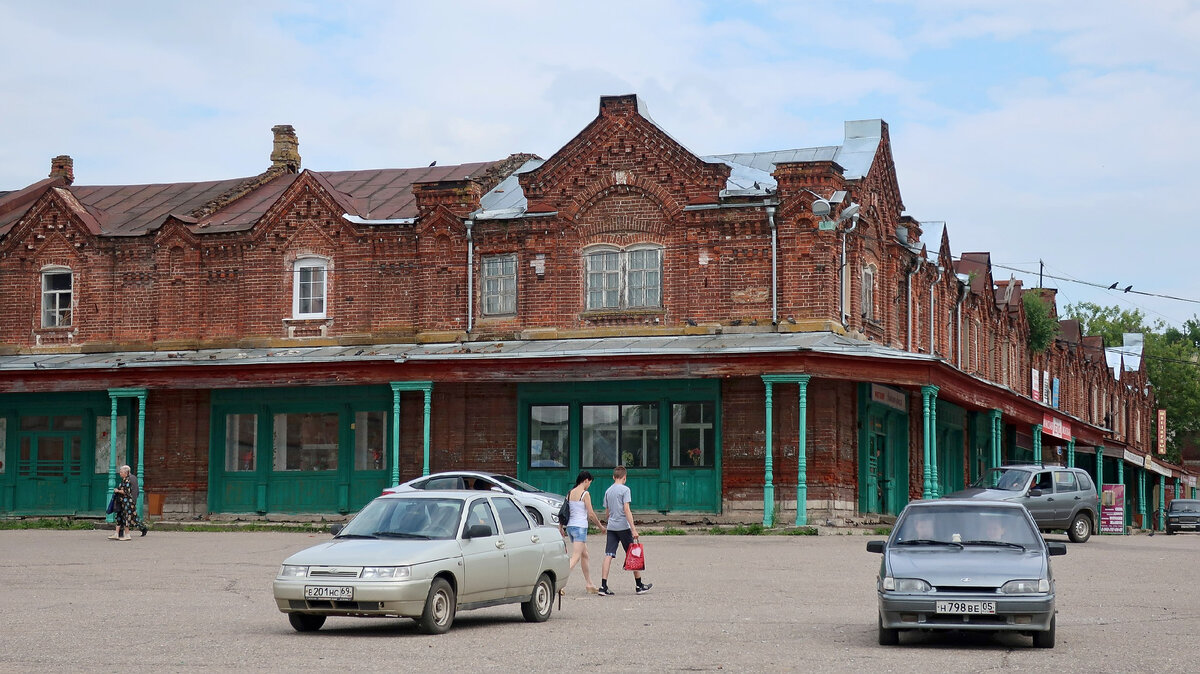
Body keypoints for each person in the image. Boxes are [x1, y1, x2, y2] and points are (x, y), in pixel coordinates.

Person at [599, 465, 652, 596]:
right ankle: (639, 585)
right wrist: (633, 529)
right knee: (633, 554)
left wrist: (611, 520)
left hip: (612, 527)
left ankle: (603, 586)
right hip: (623, 527)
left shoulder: (608, 491)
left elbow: (607, 512)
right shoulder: (625, 490)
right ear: (624, 477)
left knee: (608, 554)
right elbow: (626, 509)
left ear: (613, 477)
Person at [559, 470, 605, 595]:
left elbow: (564, 511)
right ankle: (558, 583)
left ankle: (589, 584)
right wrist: (601, 526)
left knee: (585, 555)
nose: (589, 484)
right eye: (589, 482)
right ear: (586, 480)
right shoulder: (585, 494)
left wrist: (560, 526)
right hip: (580, 528)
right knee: (576, 556)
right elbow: (590, 513)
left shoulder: (570, 493)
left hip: (570, 527)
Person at [109, 465, 148, 540]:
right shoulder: (127, 478)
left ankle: (129, 533)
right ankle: (117, 533)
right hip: (124, 501)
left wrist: (117, 491)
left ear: (126, 472)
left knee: (129, 517)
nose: (120, 473)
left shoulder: (129, 479)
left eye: (121, 472)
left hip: (128, 502)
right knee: (121, 516)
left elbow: (127, 491)